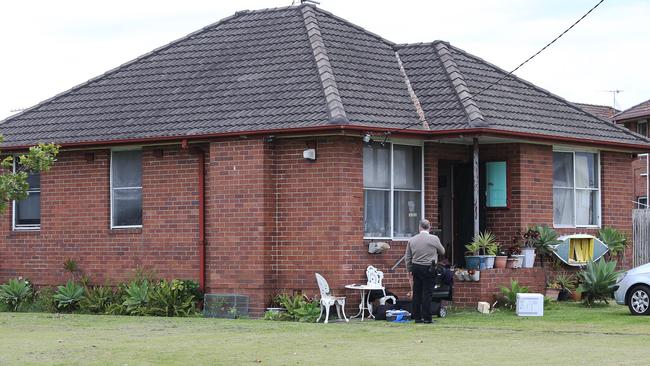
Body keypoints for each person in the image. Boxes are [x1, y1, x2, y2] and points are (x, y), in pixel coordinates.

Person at [405, 219, 445, 324]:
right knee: (427, 293)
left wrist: (409, 270)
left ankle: (417, 317)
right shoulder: (434, 238)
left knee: (417, 293)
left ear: (419, 227)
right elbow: (442, 251)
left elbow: (407, 257)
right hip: (429, 268)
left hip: (416, 268)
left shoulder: (412, 240)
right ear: (429, 227)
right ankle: (427, 318)